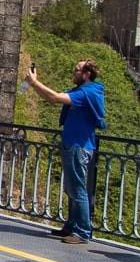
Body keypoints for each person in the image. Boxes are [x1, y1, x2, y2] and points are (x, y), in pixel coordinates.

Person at [25, 59, 106, 245]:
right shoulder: (79, 91)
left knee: (78, 189)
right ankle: (71, 226)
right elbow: (52, 97)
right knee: (71, 188)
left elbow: (54, 98)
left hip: (79, 145)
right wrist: (32, 84)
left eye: (76, 70)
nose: (73, 72)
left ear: (86, 74)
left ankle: (83, 231)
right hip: (72, 143)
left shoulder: (87, 93)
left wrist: (34, 82)